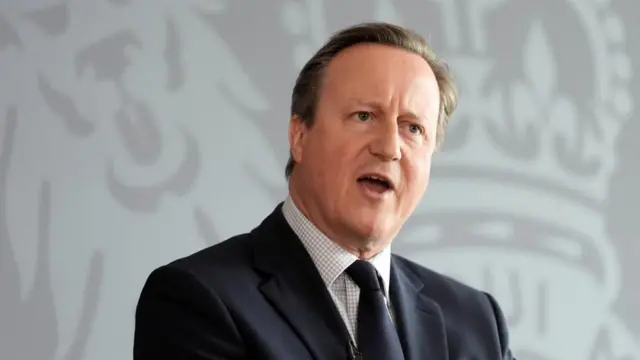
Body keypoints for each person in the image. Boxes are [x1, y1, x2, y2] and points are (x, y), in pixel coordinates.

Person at [133, 22, 516, 360]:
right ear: (299, 136)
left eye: (413, 128)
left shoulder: (477, 321)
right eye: (364, 116)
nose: (389, 147)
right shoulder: (197, 300)